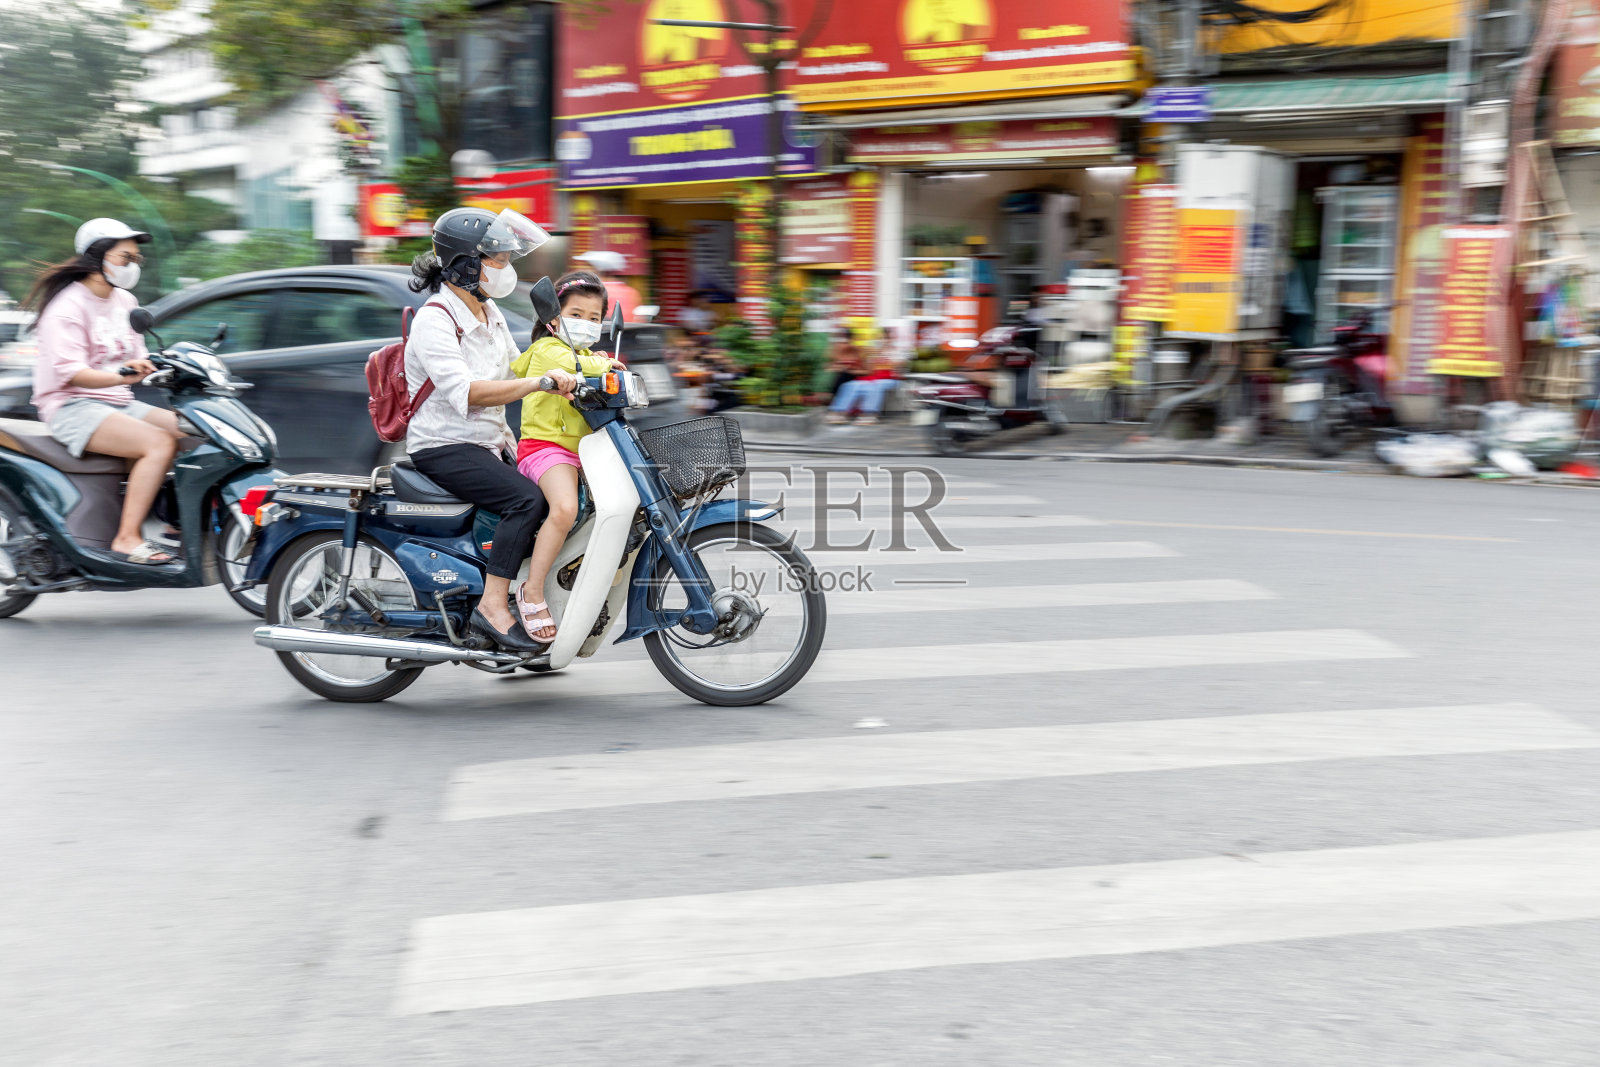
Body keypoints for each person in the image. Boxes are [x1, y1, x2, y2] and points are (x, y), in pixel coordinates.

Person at [404, 207, 579, 654]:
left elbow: (520, 366)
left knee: (560, 498)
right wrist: (538, 383)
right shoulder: (436, 318)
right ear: (465, 264)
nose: (506, 269)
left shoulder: (489, 312)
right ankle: (493, 607)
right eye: (497, 260)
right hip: (445, 444)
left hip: (490, 442)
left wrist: (581, 367)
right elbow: (469, 392)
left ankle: (512, 592)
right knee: (525, 499)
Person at [28, 218, 185, 564]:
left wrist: (162, 365)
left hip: (118, 403)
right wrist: (122, 374)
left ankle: (180, 524)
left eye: (136, 260)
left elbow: (138, 355)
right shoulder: (66, 308)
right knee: (158, 442)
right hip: (72, 406)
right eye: (125, 258)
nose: (133, 266)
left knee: (194, 430)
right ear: (98, 257)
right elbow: (74, 374)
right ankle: (127, 538)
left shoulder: (125, 301)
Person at [508, 270, 624, 644]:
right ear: (553, 318)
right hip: (544, 449)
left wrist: (604, 363)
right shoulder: (548, 352)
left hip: (583, 452)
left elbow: (589, 363)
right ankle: (533, 589)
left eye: (595, 319)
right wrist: (606, 364)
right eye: (577, 315)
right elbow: (576, 367)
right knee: (564, 509)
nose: (587, 324)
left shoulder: (588, 355)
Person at [826, 348, 900, 426]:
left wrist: (886, 357)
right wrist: (868, 358)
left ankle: (869, 414)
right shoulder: (868, 353)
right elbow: (867, 370)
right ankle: (839, 411)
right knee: (850, 385)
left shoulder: (894, 351)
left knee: (876, 385)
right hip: (869, 378)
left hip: (888, 378)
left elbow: (898, 364)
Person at [575, 249, 642, 323]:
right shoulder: (631, 292)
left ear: (598, 270)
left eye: (589, 267)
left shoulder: (597, 291)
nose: (584, 271)